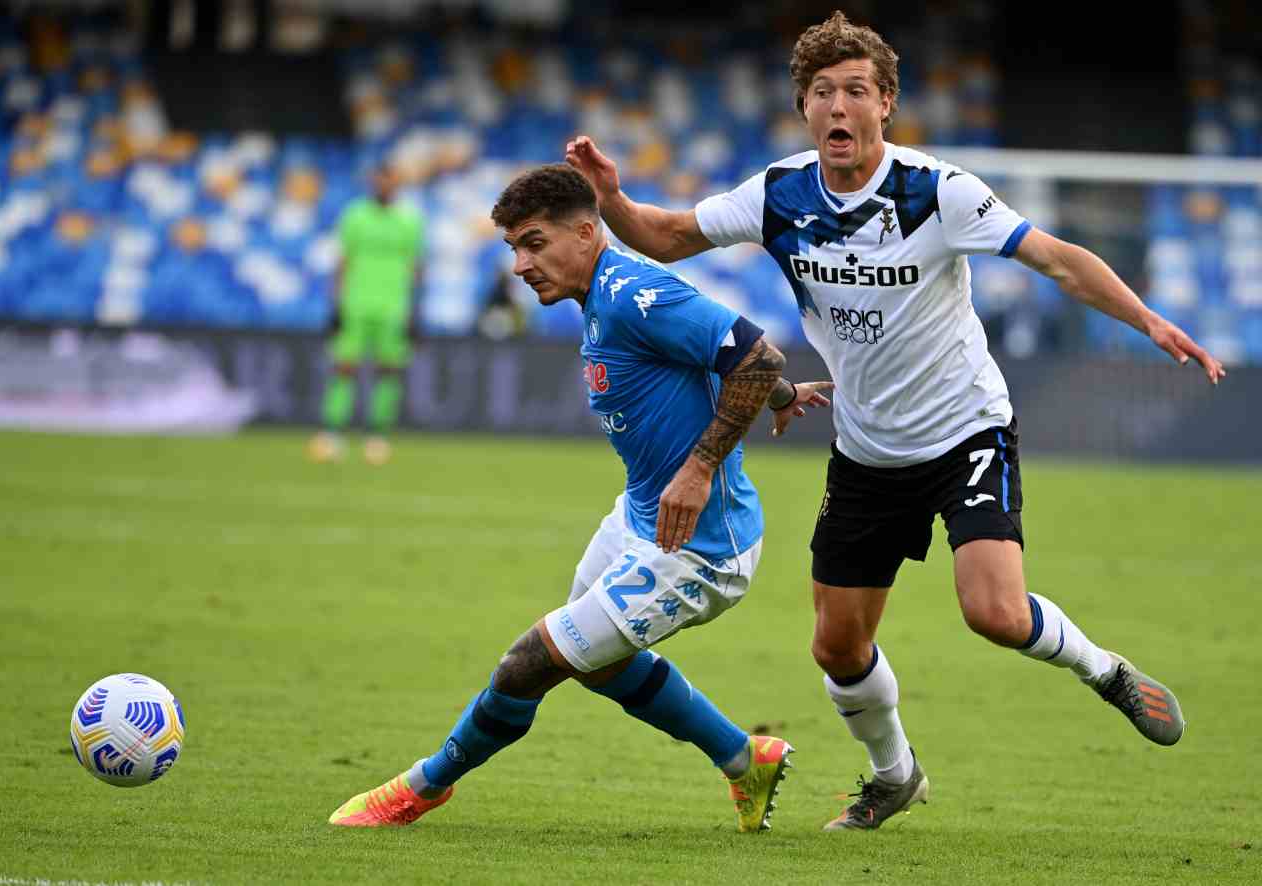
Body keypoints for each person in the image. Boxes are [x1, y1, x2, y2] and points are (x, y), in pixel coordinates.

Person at [565, 9, 1226, 832]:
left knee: (994, 612)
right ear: (804, 109)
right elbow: (664, 238)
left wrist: (1149, 320)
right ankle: (895, 775)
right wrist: (614, 197)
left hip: (965, 431)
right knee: (836, 647)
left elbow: (1057, 258)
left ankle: (1105, 671)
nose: (838, 107)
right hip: (868, 450)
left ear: (886, 104)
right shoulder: (779, 194)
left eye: (856, 91)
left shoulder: (937, 192)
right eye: (821, 93)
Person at [329, 164, 828, 831]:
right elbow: (735, 356)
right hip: (641, 516)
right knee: (596, 661)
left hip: (699, 548)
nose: (519, 264)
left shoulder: (631, 294)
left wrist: (702, 464)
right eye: (512, 248)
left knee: (528, 663)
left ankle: (419, 789)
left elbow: (758, 356)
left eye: (533, 243)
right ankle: (745, 759)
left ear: (587, 232)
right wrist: (784, 397)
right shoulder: (602, 297)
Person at [309, 163, 425, 465]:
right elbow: (343, 261)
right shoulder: (355, 215)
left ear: (397, 184)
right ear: (374, 182)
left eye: (390, 181)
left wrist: (414, 309)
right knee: (344, 367)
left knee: (388, 371)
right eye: (381, 180)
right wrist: (336, 303)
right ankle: (331, 433)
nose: (385, 186)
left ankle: (377, 435)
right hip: (356, 303)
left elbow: (415, 269)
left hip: (394, 307)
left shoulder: (409, 220)